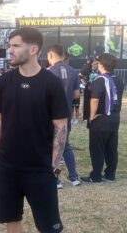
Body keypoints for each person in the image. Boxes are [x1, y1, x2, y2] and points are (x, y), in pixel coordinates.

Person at [0, 27, 68, 233]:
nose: (10, 50)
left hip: (40, 169)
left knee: (49, 227)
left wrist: (54, 165)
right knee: (11, 220)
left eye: (16, 45)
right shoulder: (4, 81)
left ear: (33, 49)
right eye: (9, 45)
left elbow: (61, 126)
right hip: (6, 167)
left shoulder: (51, 83)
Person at [81, 53, 124, 184]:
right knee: (111, 148)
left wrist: (92, 116)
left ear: (102, 65)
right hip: (114, 118)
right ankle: (110, 174)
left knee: (97, 148)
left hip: (101, 119)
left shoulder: (100, 79)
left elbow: (94, 99)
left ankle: (96, 176)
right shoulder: (118, 79)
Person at [47, 44, 81, 188]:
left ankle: (55, 179)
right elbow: (76, 95)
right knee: (65, 145)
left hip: (49, 116)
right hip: (65, 115)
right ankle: (73, 177)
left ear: (50, 55)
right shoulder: (73, 71)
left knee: (50, 146)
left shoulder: (48, 72)